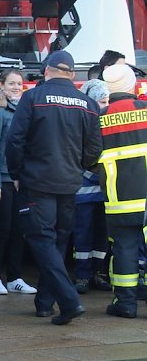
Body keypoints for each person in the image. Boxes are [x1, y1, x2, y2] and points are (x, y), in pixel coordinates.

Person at [5, 50, 102, 325]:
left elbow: (15, 140)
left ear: (46, 70)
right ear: (72, 74)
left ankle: (69, 301)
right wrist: (77, 166)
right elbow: (94, 150)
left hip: (36, 182)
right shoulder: (88, 104)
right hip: (70, 183)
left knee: (41, 240)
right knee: (58, 241)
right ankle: (45, 303)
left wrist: (16, 173)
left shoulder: (33, 97)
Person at [94, 64, 147, 318]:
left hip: (118, 198)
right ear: (131, 85)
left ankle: (125, 304)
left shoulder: (100, 118)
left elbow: (89, 158)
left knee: (123, 249)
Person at [0, 69, 36, 296]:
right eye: (11, 83)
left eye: (19, 83)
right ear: (1, 85)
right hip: (1, 181)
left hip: (17, 180)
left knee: (18, 230)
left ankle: (14, 278)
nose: (16, 87)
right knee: (2, 230)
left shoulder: (23, 110)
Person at [72, 79, 112, 294]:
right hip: (84, 187)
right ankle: (82, 275)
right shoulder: (82, 119)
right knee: (82, 233)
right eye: (100, 100)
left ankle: (98, 273)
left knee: (101, 234)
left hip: (104, 187)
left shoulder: (108, 119)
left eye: (106, 100)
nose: (103, 105)